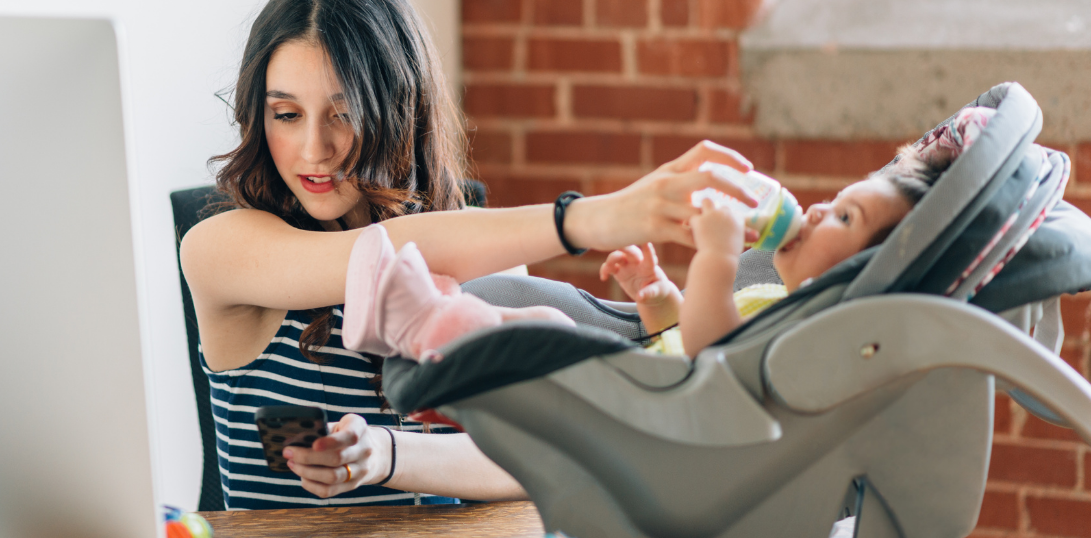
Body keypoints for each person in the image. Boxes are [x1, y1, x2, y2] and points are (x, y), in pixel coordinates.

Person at [179, 0, 759, 509]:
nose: (315, 149)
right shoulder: (219, 249)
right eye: (286, 115)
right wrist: (590, 219)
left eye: (344, 112)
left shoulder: (478, 255)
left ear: (400, 109)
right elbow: (376, 259)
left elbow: (529, 456)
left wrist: (384, 455)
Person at [342, 147, 952, 363]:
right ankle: (429, 313)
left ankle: (420, 320)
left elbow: (713, 351)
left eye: (844, 218)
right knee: (539, 320)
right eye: (835, 200)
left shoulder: (808, 337)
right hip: (654, 387)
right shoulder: (775, 295)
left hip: (652, 421)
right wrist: (658, 299)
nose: (818, 210)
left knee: (548, 332)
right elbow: (684, 336)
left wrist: (717, 254)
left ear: (870, 275)